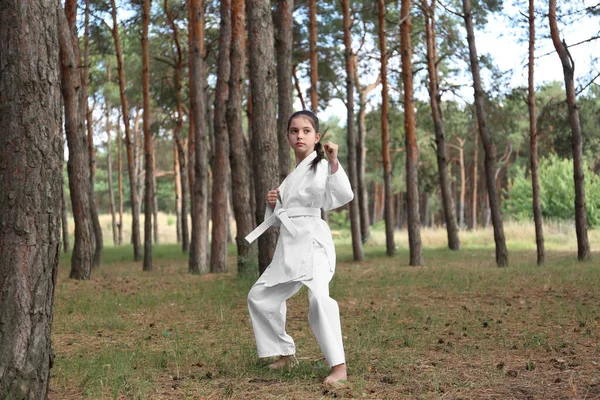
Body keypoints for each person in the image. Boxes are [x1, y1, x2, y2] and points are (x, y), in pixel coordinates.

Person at [245, 110, 353, 387]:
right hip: (290, 245)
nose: (299, 135)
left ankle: (338, 366)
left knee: (319, 299)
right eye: (294, 131)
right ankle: (283, 351)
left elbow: (340, 196)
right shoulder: (293, 174)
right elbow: (288, 211)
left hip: (313, 242)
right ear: (288, 137)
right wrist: (275, 202)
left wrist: (333, 160)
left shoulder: (321, 165)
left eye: (306, 131)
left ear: (316, 137)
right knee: (260, 295)